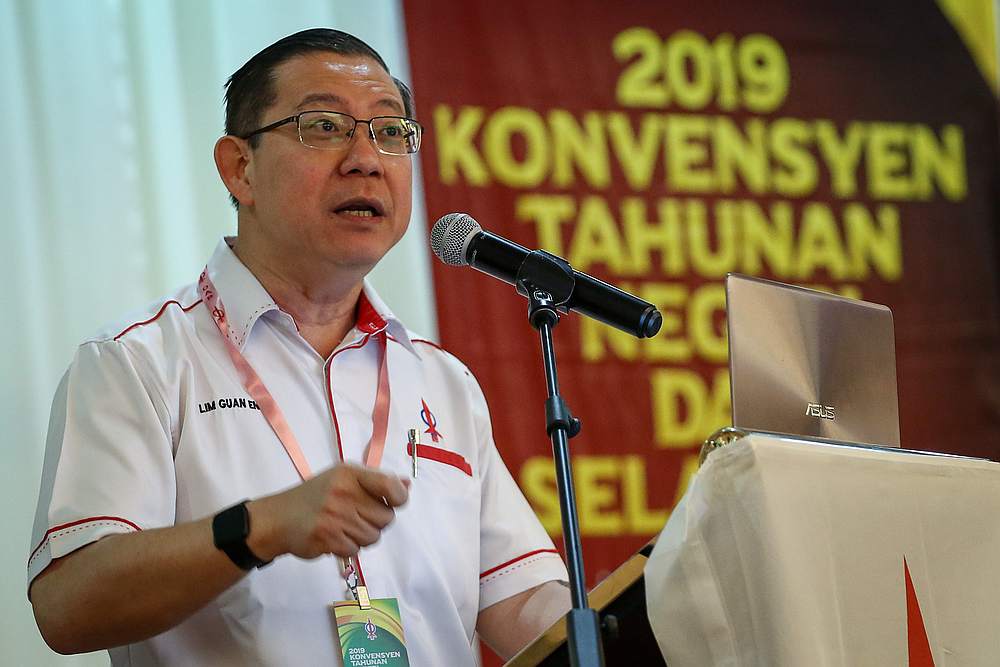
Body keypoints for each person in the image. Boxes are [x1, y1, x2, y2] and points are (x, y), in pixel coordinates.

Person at [28, 28, 570, 665]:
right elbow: (69, 606)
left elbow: (521, 605)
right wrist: (261, 528)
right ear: (240, 167)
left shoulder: (442, 380)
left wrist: (666, 598)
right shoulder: (137, 363)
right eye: (325, 126)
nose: (367, 158)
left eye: (391, 131)